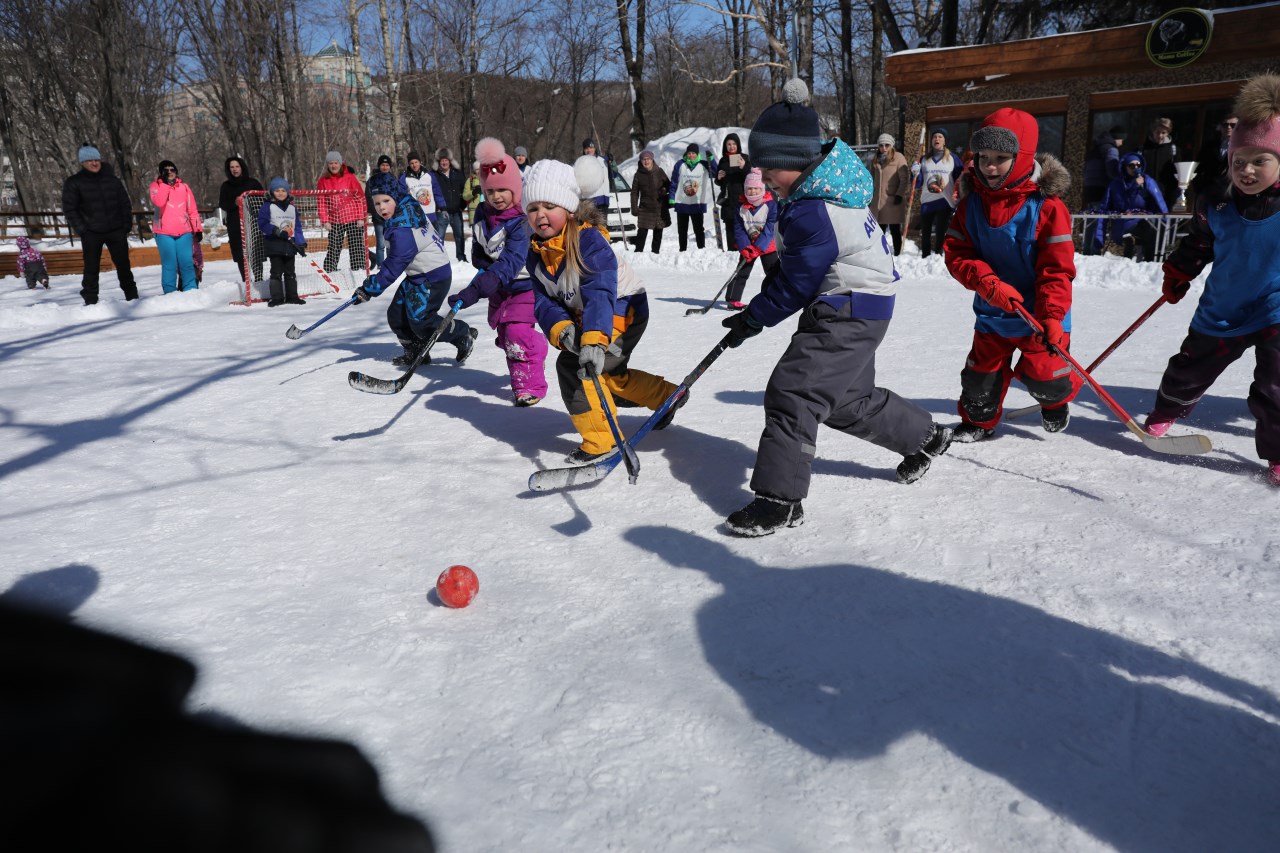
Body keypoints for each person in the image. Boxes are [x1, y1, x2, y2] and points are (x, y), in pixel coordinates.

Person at [718, 79, 953, 536]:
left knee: (794, 392)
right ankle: (925, 436)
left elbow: (798, 283)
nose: (765, 178)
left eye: (771, 168)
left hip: (847, 307)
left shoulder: (813, 209)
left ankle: (780, 501)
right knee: (845, 399)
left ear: (795, 162)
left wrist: (754, 317)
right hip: (866, 305)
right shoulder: (825, 191)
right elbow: (797, 269)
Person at [1143, 74, 1280, 487]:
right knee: (1190, 369)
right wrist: (1178, 273)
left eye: (1260, 161)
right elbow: (1199, 244)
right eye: (1239, 161)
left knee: (1276, 387)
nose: (1247, 170)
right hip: (1223, 308)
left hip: (1275, 309)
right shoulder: (1216, 203)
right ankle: (1167, 410)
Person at [522, 158, 681, 464]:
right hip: (587, 317)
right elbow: (544, 301)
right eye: (533, 208)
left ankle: (602, 441)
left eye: (549, 206)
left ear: (569, 209)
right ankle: (666, 396)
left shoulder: (588, 241)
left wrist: (594, 340)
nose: (540, 214)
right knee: (608, 374)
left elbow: (600, 291)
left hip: (623, 308)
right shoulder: (537, 256)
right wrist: (562, 329)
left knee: (580, 367)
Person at [943, 108, 1080, 443]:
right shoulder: (971, 204)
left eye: (1001, 158)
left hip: (1039, 314)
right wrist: (987, 284)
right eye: (983, 157)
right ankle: (980, 422)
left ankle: (1055, 402)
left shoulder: (1047, 207)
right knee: (980, 379)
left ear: (1022, 158)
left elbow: (1056, 270)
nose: (990, 167)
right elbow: (957, 253)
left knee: (1047, 378)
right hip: (993, 311)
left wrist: (1052, 316)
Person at [447, 139, 547, 406]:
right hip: (500, 289)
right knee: (506, 338)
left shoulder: (521, 221)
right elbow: (480, 246)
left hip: (525, 286)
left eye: (503, 189)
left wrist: (476, 289)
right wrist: (479, 258)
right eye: (490, 191)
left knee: (517, 336)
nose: (496, 196)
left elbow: (511, 261)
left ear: (515, 189)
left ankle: (529, 385)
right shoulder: (483, 213)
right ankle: (526, 366)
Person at [354, 187, 477, 367]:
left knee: (422, 322)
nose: (381, 207)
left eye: (386, 201)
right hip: (416, 275)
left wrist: (368, 289)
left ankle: (462, 333)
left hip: (432, 276)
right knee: (397, 316)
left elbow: (394, 265)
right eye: (377, 203)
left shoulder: (404, 228)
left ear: (396, 198)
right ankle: (416, 350)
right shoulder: (399, 214)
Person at [61, 143, 138, 304]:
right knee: (91, 267)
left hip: (116, 230)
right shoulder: (74, 182)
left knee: (124, 265)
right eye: (90, 160)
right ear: (83, 162)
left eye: (96, 160)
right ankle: (90, 300)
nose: (94, 163)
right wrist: (82, 229)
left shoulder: (112, 180)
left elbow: (125, 203)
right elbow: (70, 209)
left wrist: (126, 225)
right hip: (91, 232)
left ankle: (132, 297)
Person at [1097, 152, 1169, 262]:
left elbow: (1159, 202)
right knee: (1144, 230)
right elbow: (1114, 206)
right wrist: (1135, 187)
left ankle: (1150, 261)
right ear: (1125, 167)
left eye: (1138, 165)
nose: (1135, 168)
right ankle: (1131, 258)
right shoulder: (1117, 184)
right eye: (1131, 165)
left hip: (1145, 219)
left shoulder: (1148, 181)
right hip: (1124, 220)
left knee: (1154, 228)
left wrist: (1166, 220)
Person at [725, 168, 778, 309]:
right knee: (741, 272)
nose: (752, 191)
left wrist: (759, 246)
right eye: (749, 188)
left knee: (773, 273)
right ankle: (733, 299)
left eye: (756, 188)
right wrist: (744, 246)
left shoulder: (771, 205)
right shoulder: (741, 207)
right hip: (748, 247)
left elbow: (770, 228)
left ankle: (774, 298)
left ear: (762, 189)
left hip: (767, 246)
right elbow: (739, 228)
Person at [149, 159, 202, 294]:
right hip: (163, 233)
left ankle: (191, 291)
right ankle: (170, 293)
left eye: (172, 169)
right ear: (161, 173)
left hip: (184, 231)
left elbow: (192, 210)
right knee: (169, 264)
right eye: (166, 170)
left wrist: (197, 229)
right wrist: (165, 184)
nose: (170, 172)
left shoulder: (184, 187)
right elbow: (159, 202)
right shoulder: (155, 187)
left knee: (186, 263)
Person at [255, 177, 307, 307]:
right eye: (277, 190)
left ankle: (292, 297)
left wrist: (301, 242)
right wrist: (276, 231)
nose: (280, 193)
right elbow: (262, 223)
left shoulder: (292, 208)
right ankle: (277, 298)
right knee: (276, 272)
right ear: (272, 192)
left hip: (290, 245)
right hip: (274, 244)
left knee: (290, 272)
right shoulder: (267, 206)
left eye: (283, 190)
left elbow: (297, 226)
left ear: (287, 192)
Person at [913, 129, 963, 258]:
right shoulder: (924, 159)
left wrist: (959, 195)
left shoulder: (952, 158)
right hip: (927, 200)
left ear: (944, 141)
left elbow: (960, 178)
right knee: (926, 231)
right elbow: (918, 183)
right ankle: (925, 255)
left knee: (941, 231)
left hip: (945, 200)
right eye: (934, 136)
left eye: (940, 137)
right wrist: (914, 173)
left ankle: (938, 255)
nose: (937, 139)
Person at [317, 151, 366, 276]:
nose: (333, 166)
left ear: (340, 163)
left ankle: (358, 271)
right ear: (328, 165)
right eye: (331, 163)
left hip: (353, 218)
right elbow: (321, 202)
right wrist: (325, 220)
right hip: (335, 219)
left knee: (356, 247)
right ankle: (329, 271)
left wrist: (361, 217)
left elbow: (360, 197)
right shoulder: (323, 181)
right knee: (334, 246)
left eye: (336, 163)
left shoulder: (350, 178)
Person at [218, 156, 263, 279]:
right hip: (235, 225)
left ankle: (259, 280)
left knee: (256, 253)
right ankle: (246, 281)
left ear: (242, 167)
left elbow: (262, 200)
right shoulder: (226, 186)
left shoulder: (252, 183)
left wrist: (248, 201)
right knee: (240, 255)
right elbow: (223, 204)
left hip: (253, 223)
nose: (235, 169)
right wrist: (235, 202)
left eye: (237, 166)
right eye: (232, 167)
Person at [869, 133, 910, 255]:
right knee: (879, 230)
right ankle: (880, 252)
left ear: (891, 145)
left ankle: (897, 253)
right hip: (878, 201)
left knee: (894, 229)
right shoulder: (875, 159)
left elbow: (904, 178)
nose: (884, 148)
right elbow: (871, 178)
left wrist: (899, 194)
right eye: (881, 145)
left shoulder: (899, 158)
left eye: (887, 145)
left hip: (892, 199)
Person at [668, 143, 714, 251]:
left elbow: (715, 173)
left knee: (699, 229)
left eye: (693, 153)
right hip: (682, 202)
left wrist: (711, 160)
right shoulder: (680, 164)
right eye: (689, 153)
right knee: (682, 230)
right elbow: (674, 182)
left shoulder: (703, 164)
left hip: (697, 203)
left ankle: (701, 249)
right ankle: (682, 250)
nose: (691, 155)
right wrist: (671, 196)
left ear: (697, 154)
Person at [629, 149, 670, 254]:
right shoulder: (638, 175)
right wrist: (634, 208)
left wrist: (664, 190)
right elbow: (634, 193)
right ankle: (638, 253)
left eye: (648, 159)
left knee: (658, 232)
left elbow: (669, 186)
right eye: (644, 159)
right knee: (642, 232)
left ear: (652, 160)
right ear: (641, 161)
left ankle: (655, 253)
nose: (646, 161)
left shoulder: (659, 171)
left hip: (659, 207)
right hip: (645, 208)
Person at [714, 133, 750, 251]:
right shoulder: (723, 160)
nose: (731, 146)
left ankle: (744, 252)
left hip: (742, 198)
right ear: (725, 146)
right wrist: (719, 177)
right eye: (729, 144)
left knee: (742, 227)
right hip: (728, 200)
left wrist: (744, 167)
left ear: (738, 145)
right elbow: (719, 182)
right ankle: (731, 253)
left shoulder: (744, 158)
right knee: (730, 228)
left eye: (734, 144)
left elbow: (751, 178)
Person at [434, 148, 467, 262]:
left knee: (459, 236)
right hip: (441, 212)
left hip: (456, 211)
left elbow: (465, 189)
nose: (444, 163)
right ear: (438, 162)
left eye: (446, 160)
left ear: (450, 161)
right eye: (442, 160)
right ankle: (439, 260)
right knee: (439, 237)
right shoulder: (435, 175)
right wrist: (437, 207)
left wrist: (462, 205)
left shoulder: (457, 173)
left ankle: (461, 258)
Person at [1192, 114, 1237, 198]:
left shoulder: (1242, 147)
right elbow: (1198, 168)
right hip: (1209, 191)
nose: (1228, 127)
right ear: (1221, 127)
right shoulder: (1209, 146)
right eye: (1225, 125)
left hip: (1233, 192)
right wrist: (1199, 189)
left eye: (1233, 125)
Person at [1082, 126, 1126, 210]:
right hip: (1102, 192)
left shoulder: (1094, 149)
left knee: (1092, 216)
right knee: (1102, 217)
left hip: (1089, 191)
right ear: (1118, 137)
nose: (1122, 143)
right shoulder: (1111, 150)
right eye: (1122, 140)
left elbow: (1084, 171)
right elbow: (1112, 172)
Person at [366, 154, 398, 267]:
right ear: (379, 166)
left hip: (391, 217)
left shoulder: (393, 179)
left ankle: (390, 264)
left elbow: (397, 196)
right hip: (378, 217)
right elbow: (369, 198)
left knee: (390, 242)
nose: (385, 167)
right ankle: (380, 265)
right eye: (383, 165)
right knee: (381, 243)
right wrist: (376, 212)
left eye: (387, 165)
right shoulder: (372, 180)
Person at [1142, 117, 1180, 209]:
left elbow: (1178, 173)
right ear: (1153, 131)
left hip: (1166, 195)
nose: (1160, 135)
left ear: (1168, 133)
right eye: (1157, 132)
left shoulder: (1173, 150)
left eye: (1163, 133)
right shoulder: (1143, 149)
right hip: (1147, 194)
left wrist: (1174, 195)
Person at [398, 150, 443, 226]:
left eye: (416, 162)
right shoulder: (404, 178)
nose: (414, 165)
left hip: (431, 213)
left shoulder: (429, 175)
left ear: (420, 162)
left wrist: (442, 206)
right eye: (412, 163)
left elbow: (437, 191)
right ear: (409, 164)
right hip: (416, 215)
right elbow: (401, 196)